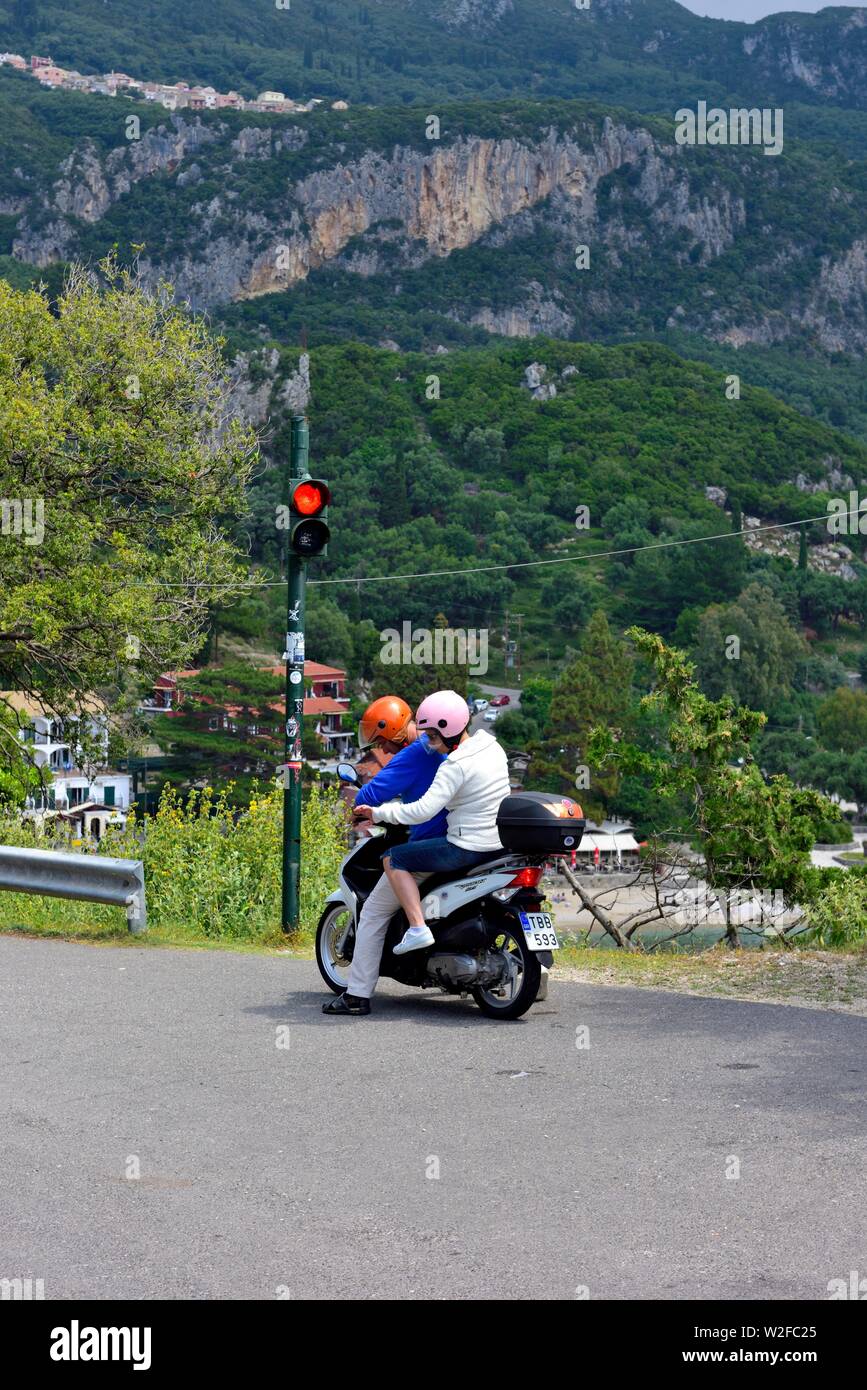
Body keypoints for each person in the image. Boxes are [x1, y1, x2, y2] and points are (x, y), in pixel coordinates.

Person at [354, 690, 510, 956]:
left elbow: (422, 811)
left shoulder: (454, 764)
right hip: (498, 843)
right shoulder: (492, 747)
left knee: (393, 858)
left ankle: (417, 928)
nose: (432, 744)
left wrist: (378, 814)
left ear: (449, 730)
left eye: (434, 736)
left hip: (464, 846)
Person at [322, 694, 447, 1016]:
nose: (383, 750)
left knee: (374, 911)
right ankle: (537, 974)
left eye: (382, 742)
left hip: (430, 843)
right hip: (471, 839)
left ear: (392, 730)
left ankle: (357, 995)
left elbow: (369, 795)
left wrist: (370, 810)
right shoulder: (445, 746)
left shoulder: (414, 753)